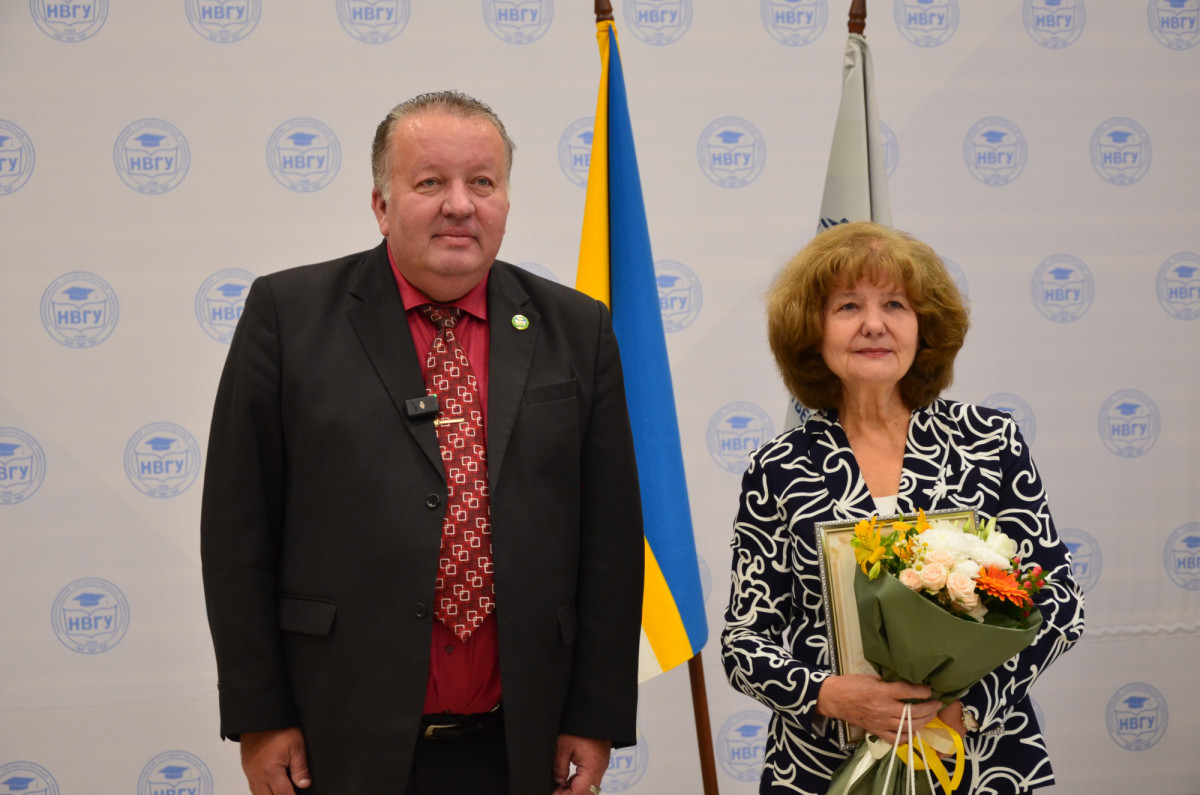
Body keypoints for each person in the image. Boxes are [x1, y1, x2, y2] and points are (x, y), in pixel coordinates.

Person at [200, 90, 644, 795]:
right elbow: (237, 534)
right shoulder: (287, 318)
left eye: (482, 182)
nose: (459, 205)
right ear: (381, 205)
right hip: (337, 737)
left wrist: (594, 716)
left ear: (505, 200)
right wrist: (261, 716)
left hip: (520, 740)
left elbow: (611, 541)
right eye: (431, 182)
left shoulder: (576, 328)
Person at [721, 222, 1085, 794]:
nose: (874, 324)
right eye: (848, 306)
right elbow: (745, 641)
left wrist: (967, 708)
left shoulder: (989, 442)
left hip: (978, 757)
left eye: (894, 304)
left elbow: (1059, 600)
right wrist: (831, 696)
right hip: (823, 764)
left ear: (924, 326)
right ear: (812, 331)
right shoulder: (777, 467)